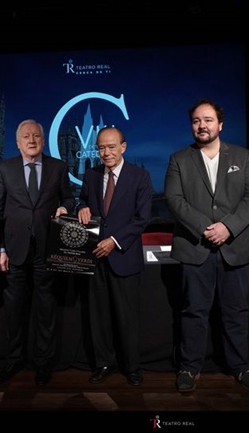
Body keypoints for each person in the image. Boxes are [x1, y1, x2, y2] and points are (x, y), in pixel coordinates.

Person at [164, 99, 249, 393]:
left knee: (236, 310)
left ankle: (241, 367)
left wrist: (228, 227)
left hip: (235, 247)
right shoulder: (178, 159)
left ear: (220, 124)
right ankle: (189, 368)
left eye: (207, 120)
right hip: (195, 247)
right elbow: (174, 200)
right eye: (196, 120)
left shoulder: (243, 156)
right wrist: (207, 229)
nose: (202, 125)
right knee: (193, 311)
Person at [0, 119, 75, 386]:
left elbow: (69, 198)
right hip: (14, 250)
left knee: (46, 307)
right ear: (17, 142)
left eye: (36, 135)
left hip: (46, 248)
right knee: (14, 308)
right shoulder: (4, 169)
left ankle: (44, 362)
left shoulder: (58, 167)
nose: (31, 140)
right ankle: (13, 359)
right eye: (26, 136)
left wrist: (65, 208)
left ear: (42, 139)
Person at [77, 126, 153, 387]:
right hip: (95, 258)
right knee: (99, 317)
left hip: (124, 257)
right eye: (100, 148)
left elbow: (142, 218)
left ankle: (132, 367)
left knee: (127, 317)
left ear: (123, 147)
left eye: (111, 147)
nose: (106, 152)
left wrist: (115, 241)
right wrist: (82, 207)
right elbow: (82, 201)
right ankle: (103, 363)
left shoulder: (140, 177)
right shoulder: (91, 175)